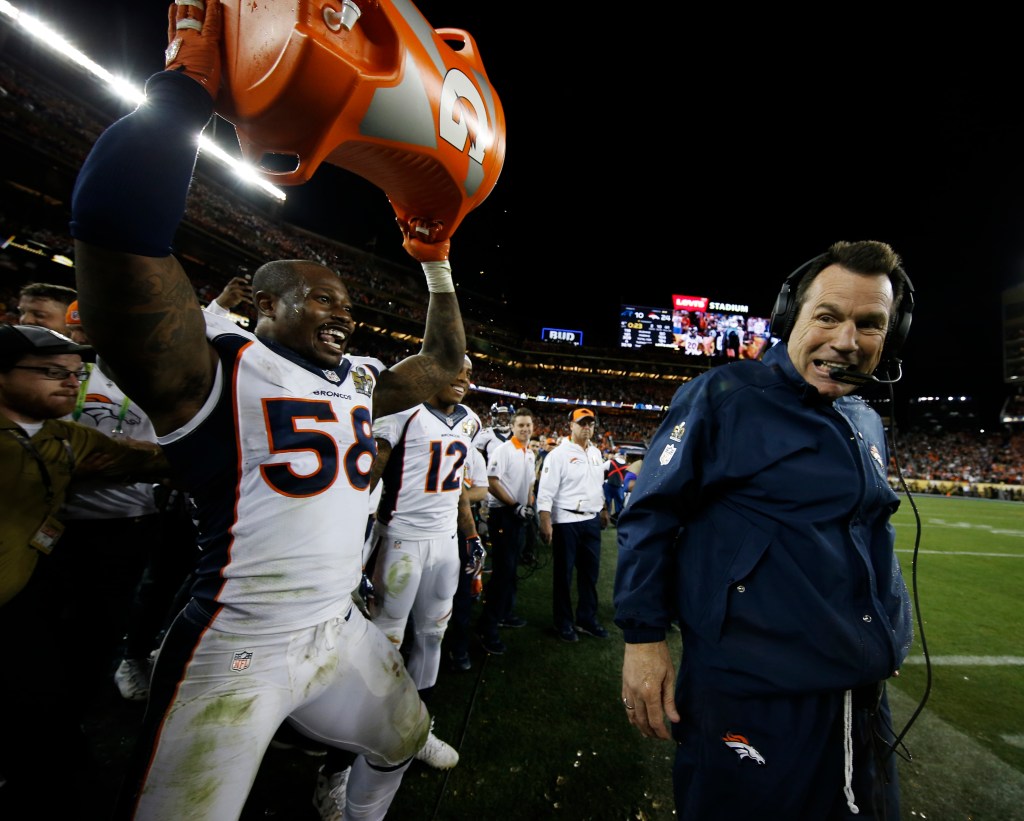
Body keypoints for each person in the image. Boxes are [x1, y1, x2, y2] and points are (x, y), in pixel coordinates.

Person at [68, 2, 467, 818]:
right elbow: (115, 227)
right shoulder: (218, 368)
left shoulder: (355, 380)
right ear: (259, 301)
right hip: (236, 641)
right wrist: (184, 91)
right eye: (320, 297)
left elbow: (445, 367)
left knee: (401, 735)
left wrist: (434, 261)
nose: (343, 312)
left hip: (337, 622)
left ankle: (349, 800)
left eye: (348, 302)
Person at [614, 240, 915, 821]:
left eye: (870, 324)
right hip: (752, 692)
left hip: (858, 696)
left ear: (891, 334)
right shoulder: (726, 396)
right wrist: (642, 639)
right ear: (789, 319)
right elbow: (650, 513)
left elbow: (873, 535)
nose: (847, 341)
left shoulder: (865, 419)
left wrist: (887, 631)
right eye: (827, 316)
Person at [0, 323, 168, 816]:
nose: (70, 382)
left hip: (21, 594)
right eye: (51, 372)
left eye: (74, 373)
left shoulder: (62, 436)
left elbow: (147, 459)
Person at [59, 301, 166, 704]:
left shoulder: (160, 383)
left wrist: (146, 459)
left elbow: (168, 456)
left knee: (101, 625)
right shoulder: (72, 373)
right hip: (57, 515)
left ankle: (76, 708)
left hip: (130, 519)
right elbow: (51, 443)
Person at [536, 407, 610, 643]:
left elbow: (598, 485)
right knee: (564, 576)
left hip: (590, 520)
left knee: (590, 575)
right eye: (582, 423)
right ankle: (563, 622)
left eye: (590, 423)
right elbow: (545, 490)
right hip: (566, 520)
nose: (587, 427)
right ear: (571, 426)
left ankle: (586, 618)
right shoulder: (558, 454)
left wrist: (604, 508)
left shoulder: (596, 453)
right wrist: (545, 520)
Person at [476, 406, 536, 655]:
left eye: (528, 425)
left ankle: (504, 613)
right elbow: (491, 482)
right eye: (520, 425)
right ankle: (487, 627)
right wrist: (516, 506)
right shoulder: (503, 450)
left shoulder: (528, 453)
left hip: (518, 515)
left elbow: (530, 484)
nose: (524, 429)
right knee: (503, 572)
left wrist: (529, 506)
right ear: (512, 427)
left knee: (510, 571)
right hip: (503, 515)